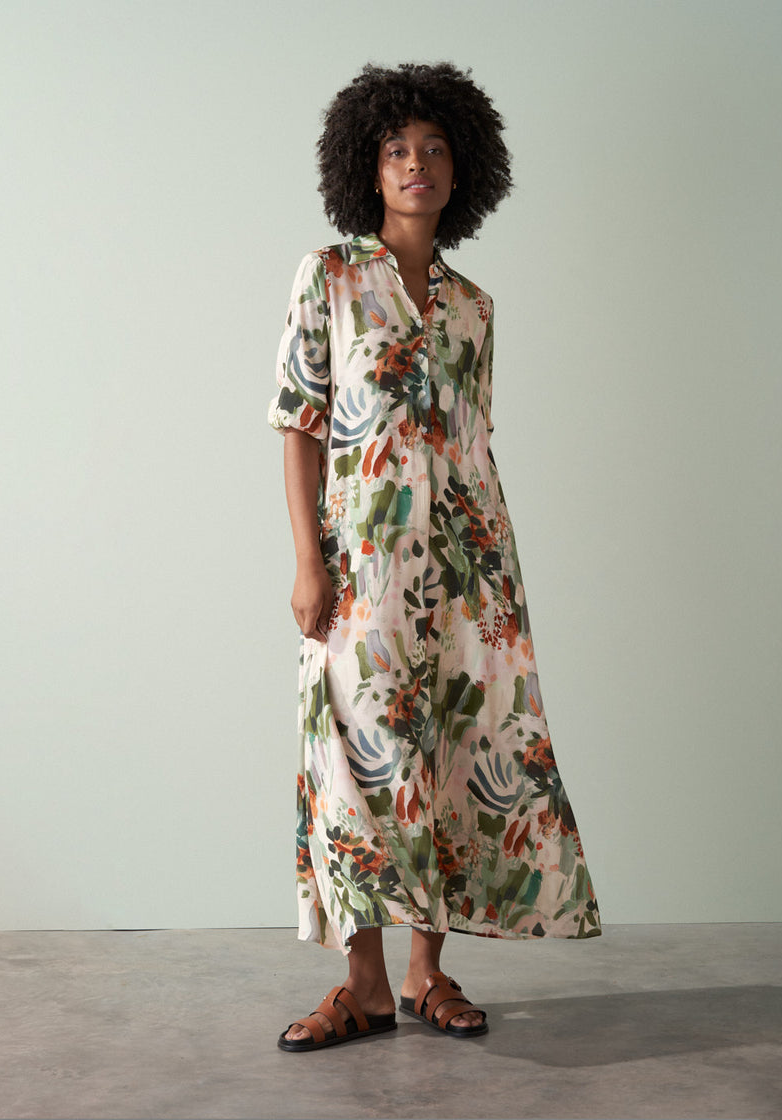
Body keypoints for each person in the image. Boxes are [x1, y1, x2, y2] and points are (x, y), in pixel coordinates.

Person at [268, 62, 601, 1052]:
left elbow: (472, 443)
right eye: (396, 149)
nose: (416, 163)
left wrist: (490, 577)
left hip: (468, 574)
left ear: (463, 171)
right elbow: (298, 425)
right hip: (361, 569)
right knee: (357, 760)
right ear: (367, 168)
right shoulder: (328, 277)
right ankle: (363, 984)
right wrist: (308, 561)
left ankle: (425, 974)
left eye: (435, 149)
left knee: (452, 753)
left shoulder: (474, 307)